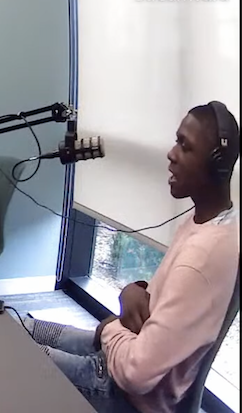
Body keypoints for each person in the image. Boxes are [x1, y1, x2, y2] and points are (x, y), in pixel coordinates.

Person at [21, 101, 240, 412]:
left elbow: (136, 375)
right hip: (121, 355)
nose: (171, 154)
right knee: (19, 326)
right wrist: (133, 291)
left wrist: (111, 329)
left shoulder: (202, 257)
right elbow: (163, 308)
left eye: (185, 146)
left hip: (124, 392)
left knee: (15, 351)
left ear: (215, 166)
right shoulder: (212, 221)